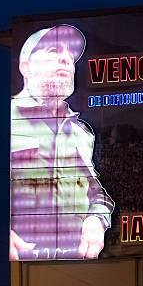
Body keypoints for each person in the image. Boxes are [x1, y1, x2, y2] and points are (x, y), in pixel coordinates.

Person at [10, 24, 114, 260]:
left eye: (71, 55)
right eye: (53, 51)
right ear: (26, 67)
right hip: (21, 265)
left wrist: (96, 221)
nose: (66, 59)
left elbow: (97, 194)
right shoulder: (7, 118)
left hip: (75, 265)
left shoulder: (82, 133)